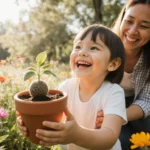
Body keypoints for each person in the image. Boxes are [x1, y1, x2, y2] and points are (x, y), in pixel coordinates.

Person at [17, 24, 127, 150]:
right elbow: (49, 120)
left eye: (94, 48)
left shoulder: (113, 93)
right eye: (78, 47)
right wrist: (28, 122)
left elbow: (109, 137)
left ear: (113, 64)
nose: (82, 52)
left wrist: (76, 135)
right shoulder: (65, 88)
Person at [96, 0, 150, 150]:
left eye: (144, 26)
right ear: (122, 18)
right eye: (129, 21)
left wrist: (118, 116)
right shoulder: (102, 46)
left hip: (138, 104)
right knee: (120, 141)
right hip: (107, 103)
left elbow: (147, 100)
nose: (132, 31)